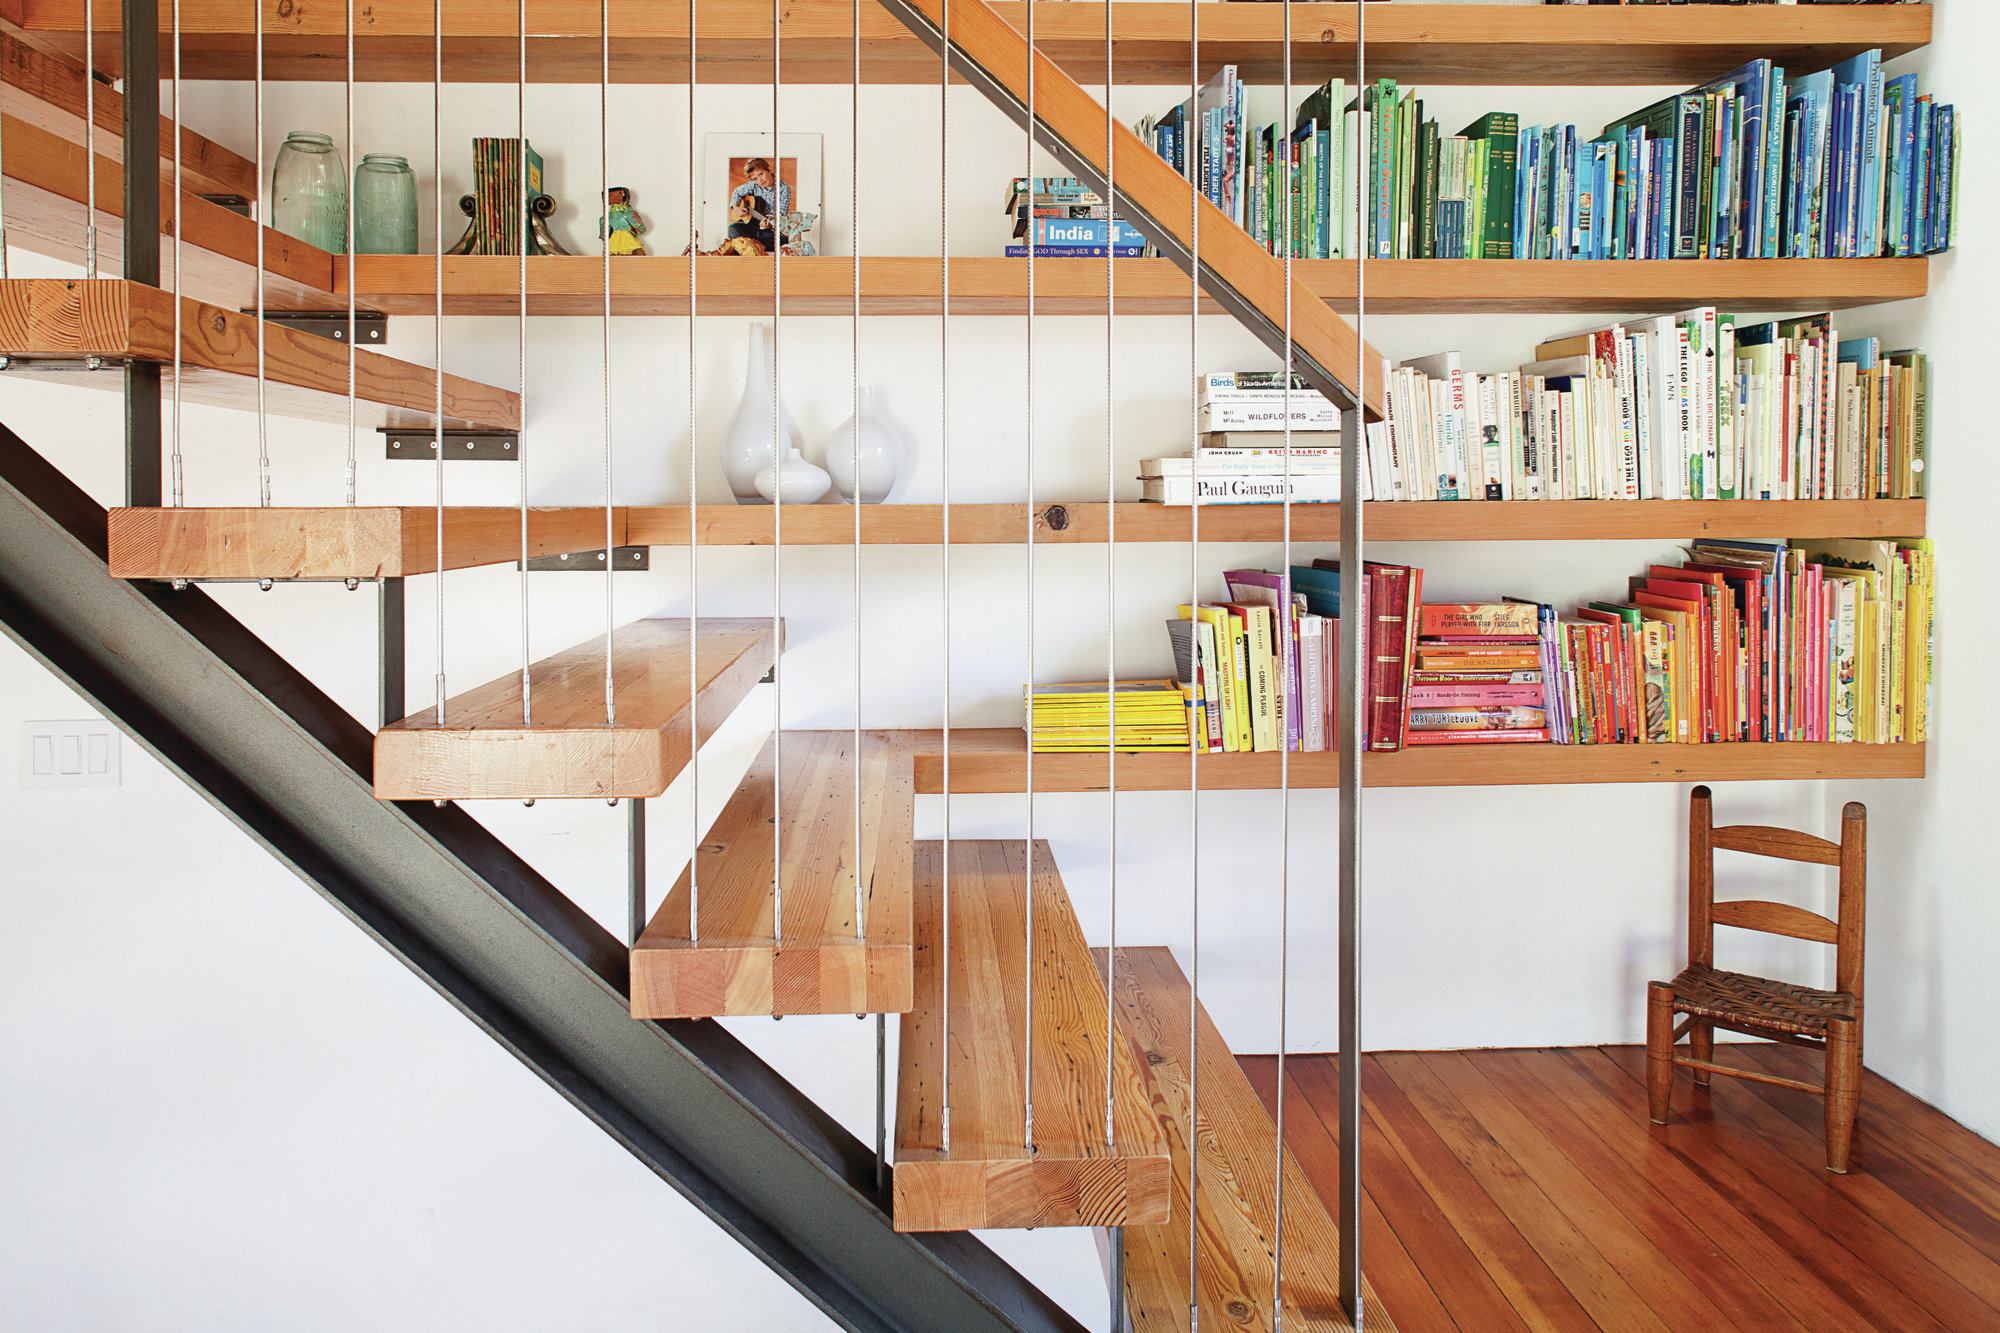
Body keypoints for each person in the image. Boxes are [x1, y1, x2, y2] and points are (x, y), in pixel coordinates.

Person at [726, 158, 791, 253]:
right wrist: (736, 208)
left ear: (769, 170)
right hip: (753, 225)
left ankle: (750, 246)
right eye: (755, 178)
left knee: (782, 240)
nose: (760, 180)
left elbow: (781, 214)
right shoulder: (754, 185)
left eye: (761, 174)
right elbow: (737, 192)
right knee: (732, 228)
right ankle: (752, 247)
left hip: (770, 229)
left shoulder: (784, 189)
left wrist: (767, 224)